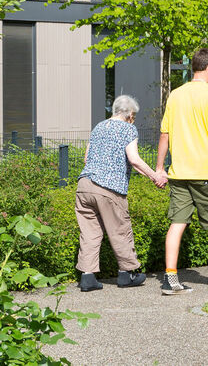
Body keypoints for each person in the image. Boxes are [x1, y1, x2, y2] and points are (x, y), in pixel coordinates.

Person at [155, 48, 208, 295]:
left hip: (179, 173)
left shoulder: (175, 95)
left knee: (177, 223)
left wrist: (160, 168)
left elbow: (165, 134)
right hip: (206, 173)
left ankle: (171, 279)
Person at [75, 95, 166, 292]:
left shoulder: (99, 126)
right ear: (129, 114)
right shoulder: (128, 128)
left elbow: (86, 158)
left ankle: (88, 277)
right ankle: (128, 273)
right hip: (109, 188)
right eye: (133, 116)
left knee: (90, 233)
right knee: (120, 230)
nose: (133, 119)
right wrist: (156, 176)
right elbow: (134, 159)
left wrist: (148, 175)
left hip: (84, 185)